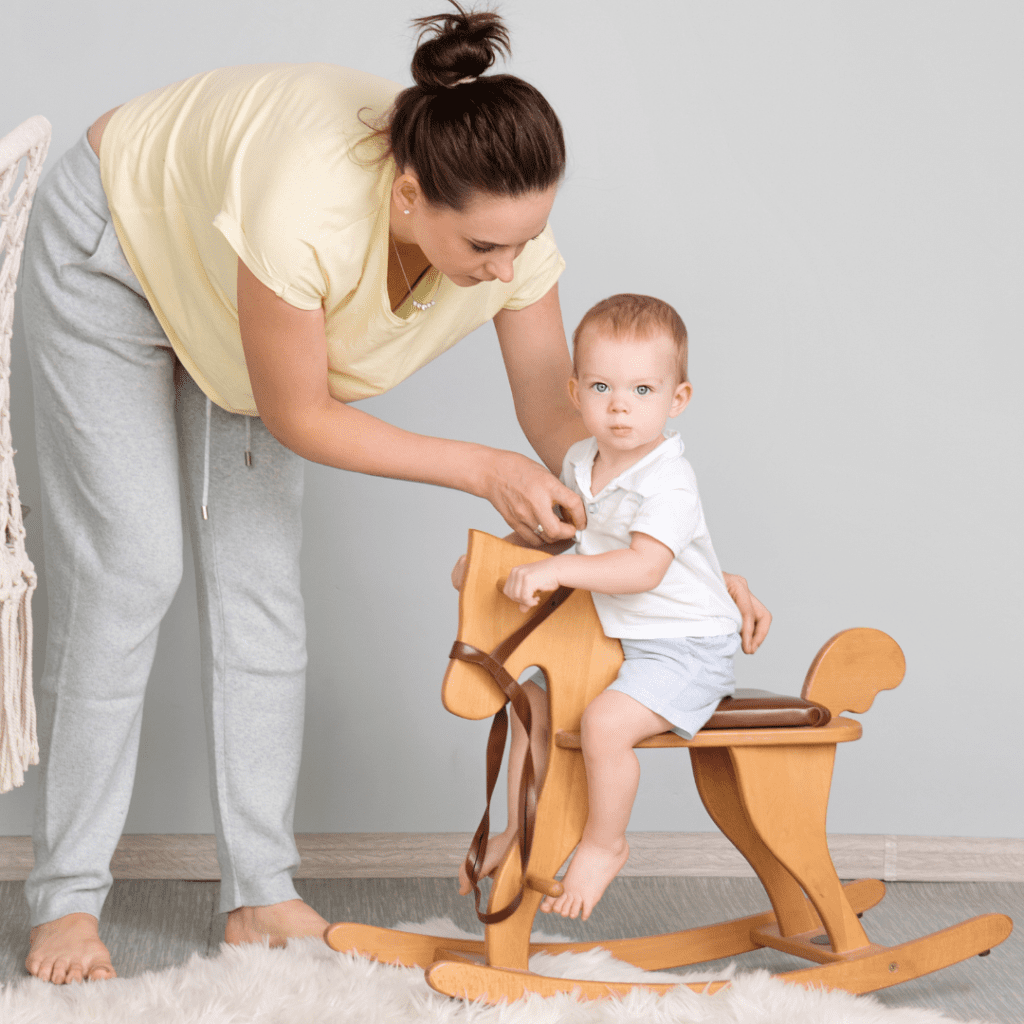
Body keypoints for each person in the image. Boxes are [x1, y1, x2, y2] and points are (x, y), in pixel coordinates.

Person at [21, 3, 768, 983]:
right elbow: (299, 412)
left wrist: (678, 552)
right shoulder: (308, 209)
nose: (508, 270)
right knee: (131, 569)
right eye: (485, 252)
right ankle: (66, 900)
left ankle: (260, 892)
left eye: (523, 243)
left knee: (261, 587)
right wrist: (482, 469)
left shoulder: (504, 228)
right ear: (408, 198)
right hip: (119, 246)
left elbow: (556, 417)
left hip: (235, 294)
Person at [457, 293, 765, 921]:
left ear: (676, 400)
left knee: (603, 726)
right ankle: (518, 826)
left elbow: (642, 567)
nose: (620, 405)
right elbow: (564, 532)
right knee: (530, 704)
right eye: (602, 386)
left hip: (687, 648)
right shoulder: (581, 462)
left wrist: (556, 569)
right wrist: (495, 558)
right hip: (626, 641)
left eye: (643, 390)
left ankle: (605, 842)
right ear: (575, 392)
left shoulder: (668, 480)